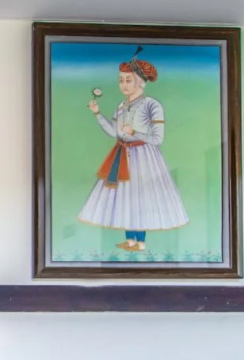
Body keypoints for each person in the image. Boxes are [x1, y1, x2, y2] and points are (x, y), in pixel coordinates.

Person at [77, 48, 188, 252]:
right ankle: (129, 241)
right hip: (122, 155)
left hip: (144, 157)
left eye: (128, 80)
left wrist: (135, 132)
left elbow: (158, 138)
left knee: (140, 198)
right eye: (121, 80)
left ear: (141, 82)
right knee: (125, 197)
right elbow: (114, 132)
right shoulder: (120, 106)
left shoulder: (152, 105)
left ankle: (141, 243)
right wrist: (97, 114)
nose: (124, 85)